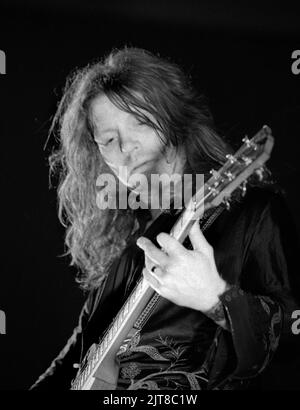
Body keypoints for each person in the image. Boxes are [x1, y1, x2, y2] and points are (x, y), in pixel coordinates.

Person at [30, 47, 300, 390]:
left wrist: (218, 299)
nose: (126, 148)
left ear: (176, 119)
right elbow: (66, 367)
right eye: (109, 140)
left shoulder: (253, 213)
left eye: (141, 122)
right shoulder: (127, 256)